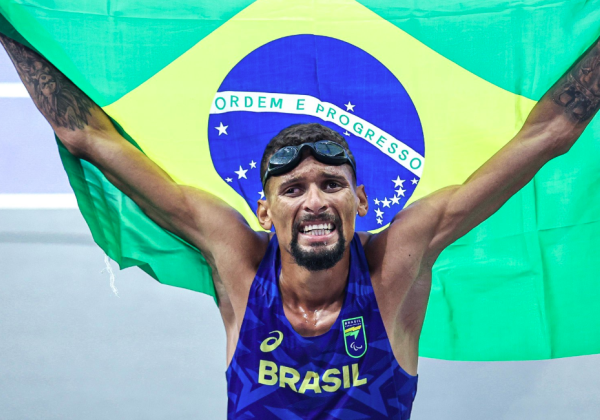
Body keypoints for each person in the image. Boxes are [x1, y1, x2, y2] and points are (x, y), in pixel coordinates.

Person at [1, 32, 599, 420]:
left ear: (361, 200)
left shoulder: (393, 270)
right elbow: (86, 136)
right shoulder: (238, 264)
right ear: (263, 211)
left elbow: (549, 134)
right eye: (292, 189)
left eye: (331, 184)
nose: (314, 200)